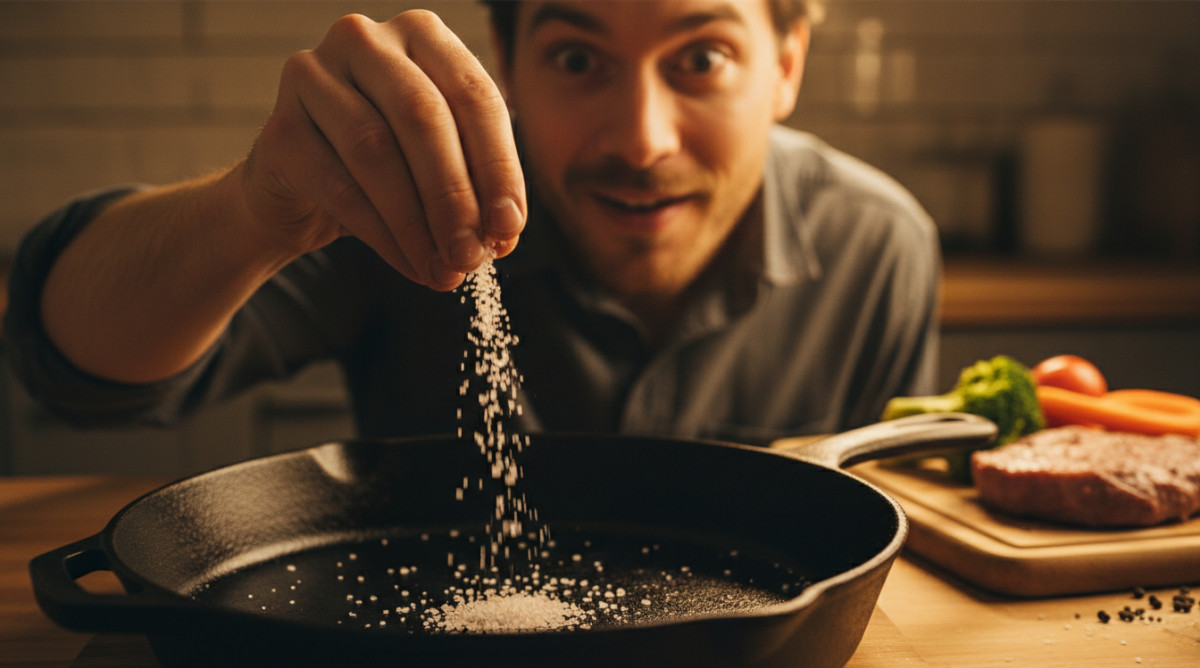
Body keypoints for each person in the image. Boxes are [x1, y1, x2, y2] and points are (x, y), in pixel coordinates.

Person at [3, 0, 939, 447]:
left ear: (786, 65)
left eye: (700, 57)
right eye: (578, 57)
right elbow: (73, 368)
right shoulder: (396, 204)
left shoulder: (878, 246)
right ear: (507, 61)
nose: (642, 141)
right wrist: (256, 206)